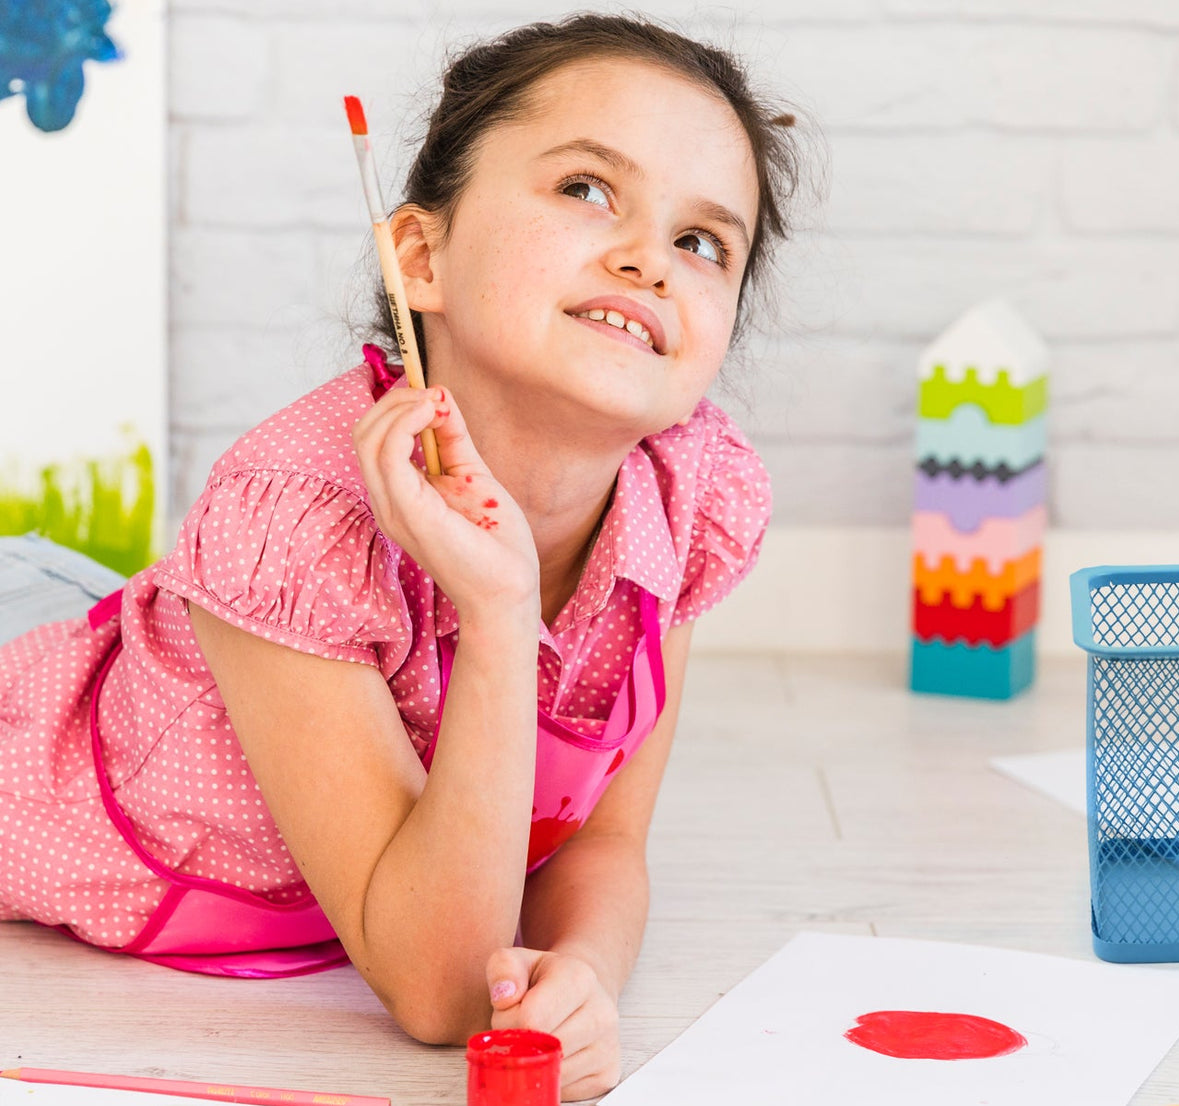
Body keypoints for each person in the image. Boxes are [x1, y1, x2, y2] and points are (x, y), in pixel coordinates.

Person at [0, 12, 803, 1100]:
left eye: (703, 242)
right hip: (41, 743)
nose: (647, 258)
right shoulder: (296, 520)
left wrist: (581, 974)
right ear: (421, 255)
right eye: (585, 188)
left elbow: (601, 847)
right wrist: (503, 608)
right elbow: (438, 990)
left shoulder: (684, 498)